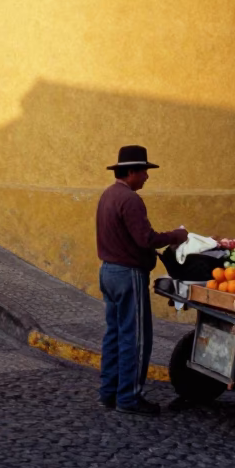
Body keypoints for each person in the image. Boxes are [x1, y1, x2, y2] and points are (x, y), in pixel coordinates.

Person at [96, 145, 187, 415]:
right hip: (127, 275)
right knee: (135, 339)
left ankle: (108, 393)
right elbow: (145, 239)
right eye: (145, 171)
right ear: (132, 171)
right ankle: (129, 398)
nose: (147, 176)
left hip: (108, 272)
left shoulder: (108, 195)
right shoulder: (130, 200)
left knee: (113, 335)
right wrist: (176, 236)